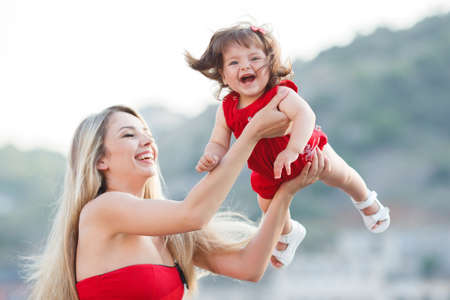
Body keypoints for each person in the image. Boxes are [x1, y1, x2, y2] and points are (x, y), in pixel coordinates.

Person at [24, 99, 329, 300]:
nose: (147, 141)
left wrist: (285, 193)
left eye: (148, 134)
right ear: (100, 159)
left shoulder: (169, 233)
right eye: (130, 135)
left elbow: (248, 267)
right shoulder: (102, 210)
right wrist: (251, 134)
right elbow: (193, 214)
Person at [186, 22, 391, 266]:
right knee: (267, 205)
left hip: (306, 152)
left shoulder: (280, 94)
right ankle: (289, 232)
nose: (245, 66)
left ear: (270, 63)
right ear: (223, 75)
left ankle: (366, 200)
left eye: (254, 58)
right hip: (267, 169)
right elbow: (218, 141)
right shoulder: (227, 108)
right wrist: (212, 155)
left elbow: (306, 116)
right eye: (234, 63)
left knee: (342, 174)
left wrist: (292, 150)